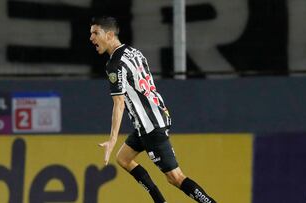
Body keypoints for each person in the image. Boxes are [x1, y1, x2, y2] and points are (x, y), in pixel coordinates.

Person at [90, 16, 216, 203]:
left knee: (175, 177)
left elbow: (119, 103)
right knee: (123, 159)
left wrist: (112, 139)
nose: (91, 38)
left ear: (109, 35)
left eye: (95, 33)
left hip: (150, 125)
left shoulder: (114, 65)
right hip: (155, 116)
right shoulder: (134, 52)